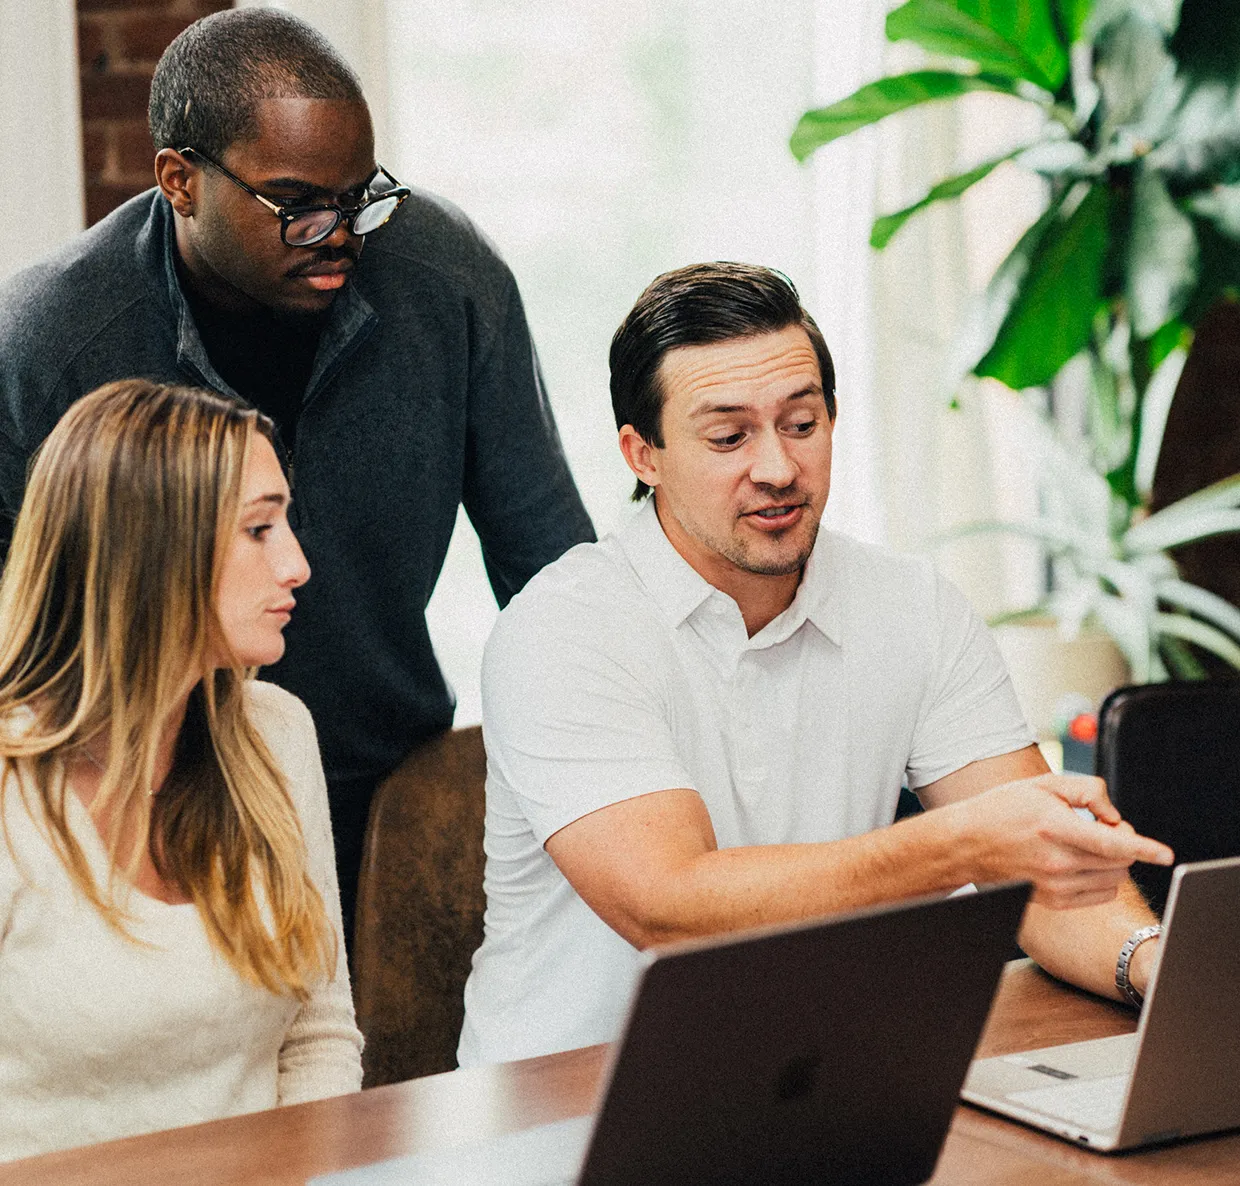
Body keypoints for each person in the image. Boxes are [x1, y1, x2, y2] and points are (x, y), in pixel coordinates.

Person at [458, 262, 1173, 1067]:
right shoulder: (564, 627)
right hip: (562, 1111)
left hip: (808, 1085)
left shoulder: (912, 605)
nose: (777, 468)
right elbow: (668, 906)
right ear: (642, 454)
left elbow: (1038, 867)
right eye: (728, 437)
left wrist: (1156, 970)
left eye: (801, 424)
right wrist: (963, 846)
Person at [0, 8, 594, 937]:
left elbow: (552, 568)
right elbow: (20, 640)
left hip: (387, 786)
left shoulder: (446, 279)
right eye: (300, 204)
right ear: (179, 180)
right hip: (139, 816)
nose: (344, 232)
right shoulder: (51, 344)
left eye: (364, 195)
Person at [0, 379, 362, 1162]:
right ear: (150, 550)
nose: (297, 563)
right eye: (259, 529)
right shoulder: (10, 790)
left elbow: (319, 1036)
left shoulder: (276, 735)